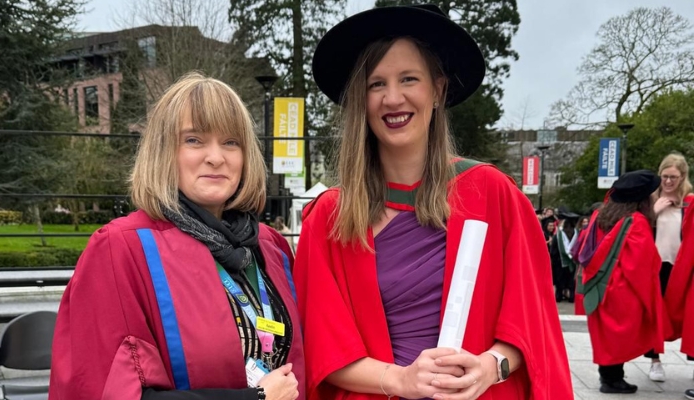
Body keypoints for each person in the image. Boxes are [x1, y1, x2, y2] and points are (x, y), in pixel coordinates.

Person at [295, 4, 572, 400]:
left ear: (438, 89)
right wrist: (400, 380)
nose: (393, 98)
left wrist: (489, 367)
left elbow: (532, 323)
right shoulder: (331, 217)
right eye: (376, 84)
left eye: (409, 78)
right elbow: (321, 349)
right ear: (361, 98)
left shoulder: (493, 195)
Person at [49, 73, 303, 400]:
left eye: (231, 142)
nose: (216, 157)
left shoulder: (270, 247)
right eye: (194, 140)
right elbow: (103, 391)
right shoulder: (121, 250)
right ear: (164, 151)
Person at [577, 170, 665, 394]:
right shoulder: (636, 222)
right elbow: (643, 265)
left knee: (607, 337)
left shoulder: (602, 215)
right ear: (643, 199)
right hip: (621, 289)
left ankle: (610, 376)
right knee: (620, 336)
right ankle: (612, 380)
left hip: (599, 285)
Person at [645, 153, 693, 381]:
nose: (668, 182)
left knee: (687, 313)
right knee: (655, 313)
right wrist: (654, 212)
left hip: (682, 266)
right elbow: (636, 229)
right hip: (656, 265)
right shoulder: (651, 200)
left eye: (673, 177)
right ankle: (655, 360)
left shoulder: (689, 201)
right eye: (664, 176)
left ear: (683, 176)